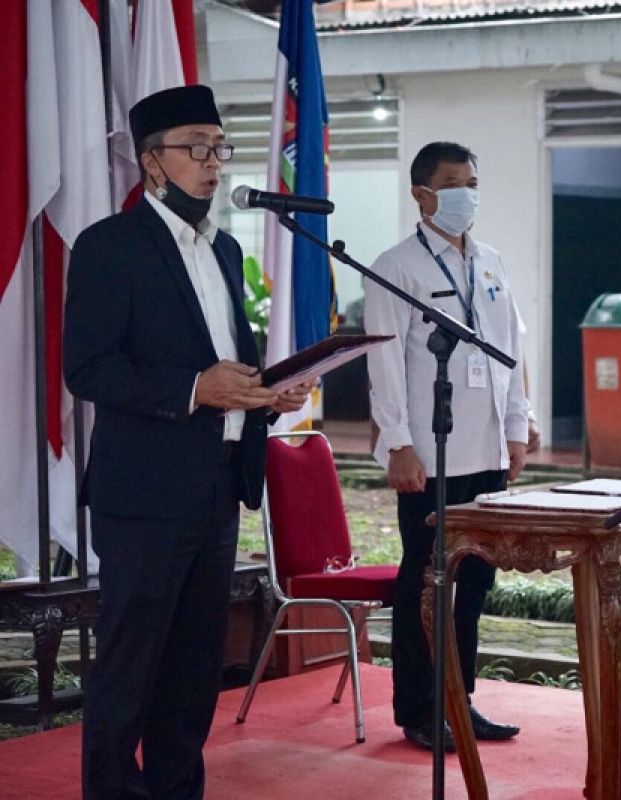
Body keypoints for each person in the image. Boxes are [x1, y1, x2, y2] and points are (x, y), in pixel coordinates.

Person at [64, 85, 309, 799]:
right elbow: (89, 366)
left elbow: (225, 359)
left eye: (219, 146)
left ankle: (177, 790)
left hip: (218, 482)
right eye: (196, 147)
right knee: (131, 664)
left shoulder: (226, 249)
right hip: (143, 492)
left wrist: (269, 392)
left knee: (195, 665)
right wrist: (194, 389)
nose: (213, 163)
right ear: (153, 163)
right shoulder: (110, 246)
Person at [365, 141, 527, 751]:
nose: (468, 195)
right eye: (454, 183)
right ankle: (419, 710)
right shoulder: (395, 265)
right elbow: (382, 363)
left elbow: (513, 349)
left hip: (485, 450)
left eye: (473, 182)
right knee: (427, 583)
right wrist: (398, 444)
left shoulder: (490, 262)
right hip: (430, 457)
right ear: (422, 194)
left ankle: (462, 703)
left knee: (476, 581)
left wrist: (516, 426)